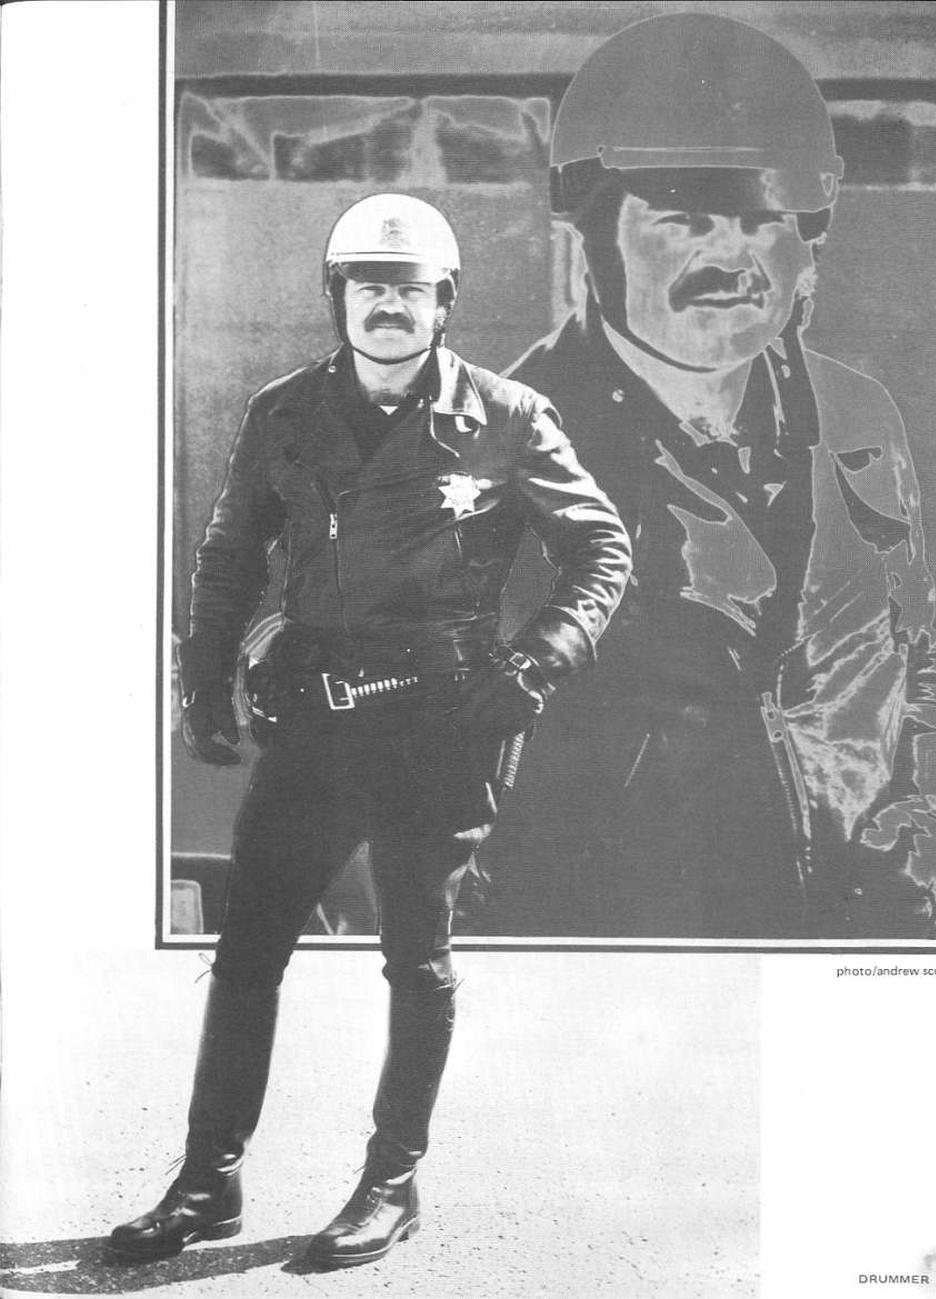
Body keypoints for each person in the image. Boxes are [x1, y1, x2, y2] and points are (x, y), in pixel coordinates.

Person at [108, 193, 630, 1267]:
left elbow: (601, 549)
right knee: (248, 951)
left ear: (444, 302)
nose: (388, 307)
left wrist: (534, 661)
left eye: (409, 290)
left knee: (415, 957)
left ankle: (391, 1183)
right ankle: (208, 1181)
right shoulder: (284, 412)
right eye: (367, 288)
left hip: (445, 722)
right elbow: (229, 553)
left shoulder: (508, 415)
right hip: (316, 717)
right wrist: (202, 679)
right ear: (336, 298)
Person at [489, 12, 936, 940]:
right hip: (626, 955)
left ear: (807, 243)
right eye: (684, 220)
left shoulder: (859, 418)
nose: (730, 258)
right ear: (593, 237)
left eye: (762, 222)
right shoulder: (499, 446)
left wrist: (926, 804)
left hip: (850, 932)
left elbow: (917, 652)